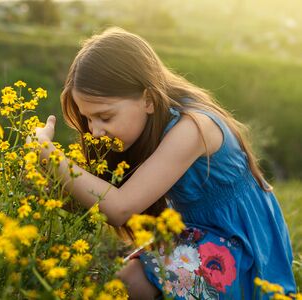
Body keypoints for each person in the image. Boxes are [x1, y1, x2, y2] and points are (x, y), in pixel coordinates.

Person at [29, 27, 296, 299]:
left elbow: (119, 208)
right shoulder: (148, 125)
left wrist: (50, 155)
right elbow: (98, 200)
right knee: (126, 280)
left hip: (244, 247)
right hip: (204, 236)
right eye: (88, 118)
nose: (95, 131)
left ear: (147, 99)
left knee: (129, 282)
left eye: (105, 117)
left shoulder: (192, 129)